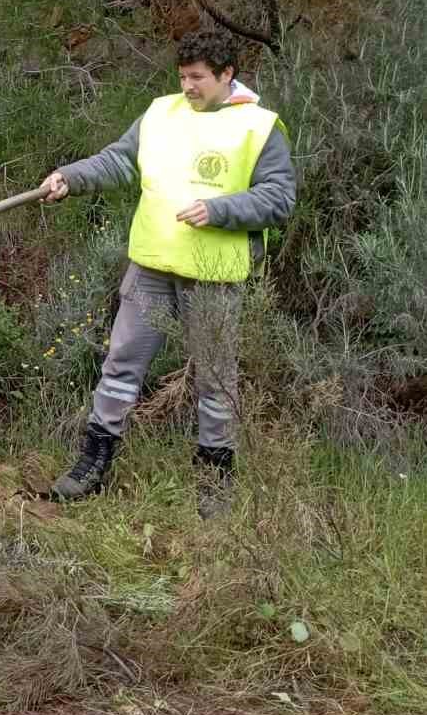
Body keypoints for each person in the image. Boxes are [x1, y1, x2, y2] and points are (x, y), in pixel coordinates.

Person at [38, 28, 296, 514]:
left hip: (215, 276)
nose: (189, 87)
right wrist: (69, 177)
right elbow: (119, 161)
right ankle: (92, 465)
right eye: (183, 76)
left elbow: (279, 199)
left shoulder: (260, 127)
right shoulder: (160, 113)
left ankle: (215, 483)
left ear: (226, 75)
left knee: (215, 383)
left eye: (198, 77)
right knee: (119, 367)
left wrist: (220, 210)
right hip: (151, 267)